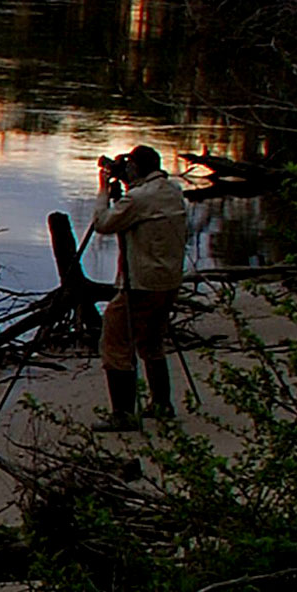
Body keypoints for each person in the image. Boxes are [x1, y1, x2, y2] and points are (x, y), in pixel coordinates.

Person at [89, 144, 187, 428]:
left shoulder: (138, 199)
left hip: (140, 284)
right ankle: (161, 404)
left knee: (115, 341)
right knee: (152, 342)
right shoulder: (173, 191)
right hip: (168, 282)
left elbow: (102, 223)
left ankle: (123, 414)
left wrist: (104, 190)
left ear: (136, 168)